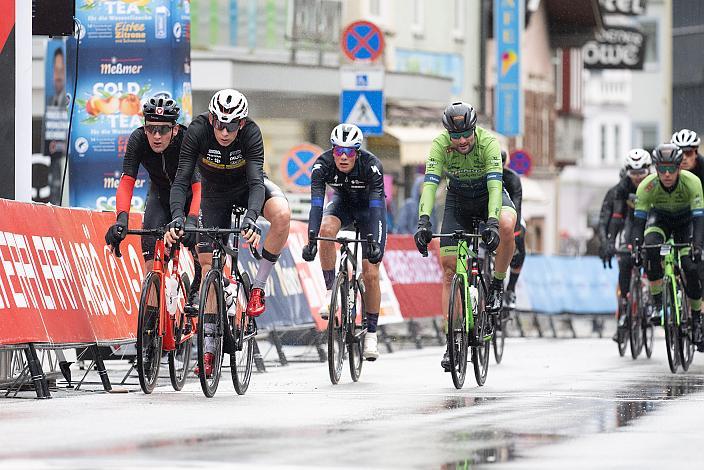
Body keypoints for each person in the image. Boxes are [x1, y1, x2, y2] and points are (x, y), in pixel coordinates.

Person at [413, 102, 517, 371]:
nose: (461, 141)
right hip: (457, 201)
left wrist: (492, 222)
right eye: (455, 136)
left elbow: (496, 186)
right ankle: (452, 340)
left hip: (487, 197)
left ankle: (496, 284)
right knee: (449, 271)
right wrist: (423, 221)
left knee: (507, 225)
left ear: (474, 128)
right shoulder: (439, 145)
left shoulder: (489, 144)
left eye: (466, 134)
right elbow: (430, 186)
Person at [302, 124, 385, 361]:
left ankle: (371, 333)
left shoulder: (371, 165)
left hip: (370, 210)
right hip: (342, 205)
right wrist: (311, 239)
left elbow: (378, 207)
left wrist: (375, 243)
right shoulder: (322, 165)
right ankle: (331, 292)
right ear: (333, 151)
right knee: (326, 230)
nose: (344, 157)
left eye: (350, 152)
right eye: (339, 151)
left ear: (358, 152)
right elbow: (317, 205)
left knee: (370, 273)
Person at [104, 95, 201, 297]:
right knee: (152, 266)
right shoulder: (138, 139)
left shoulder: (186, 140)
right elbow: (127, 182)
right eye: (151, 128)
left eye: (163, 129)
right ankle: (154, 320)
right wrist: (121, 220)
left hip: (192, 196)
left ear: (174, 129)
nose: (156, 136)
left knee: (203, 253)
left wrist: (191, 219)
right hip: (160, 196)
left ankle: (200, 286)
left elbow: (198, 186)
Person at [632, 143, 704, 350]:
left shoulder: (693, 182)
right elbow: (639, 223)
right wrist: (637, 247)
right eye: (661, 169)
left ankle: (697, 317)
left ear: (679, 167)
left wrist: (697, 246)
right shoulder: (647, 186)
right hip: (660, 219)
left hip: (686, 221)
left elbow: (699, 219)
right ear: (655, 168)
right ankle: (657, 305)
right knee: (651, 250)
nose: (666, 174)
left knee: (690, 266)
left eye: (671, 168)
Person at [603, 149, 652, 342]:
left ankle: (650, 292)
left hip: (652, 220)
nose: (638, 178)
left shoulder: (655, 183)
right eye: (634, 174)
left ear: (649, 171)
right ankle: (624, 306)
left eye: (642, 173)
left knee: (652, 252)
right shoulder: (623, 187)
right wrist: (609, 241)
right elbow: (616, 217)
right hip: (632, 223)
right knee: (625, 260)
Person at [500, 150, 525, 309]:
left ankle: (510, 289)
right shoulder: (482, 175)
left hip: (511, 215)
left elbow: (517, 206)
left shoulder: (513, 179)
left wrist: (514, 235)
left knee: (520, 241)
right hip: (488, 217)